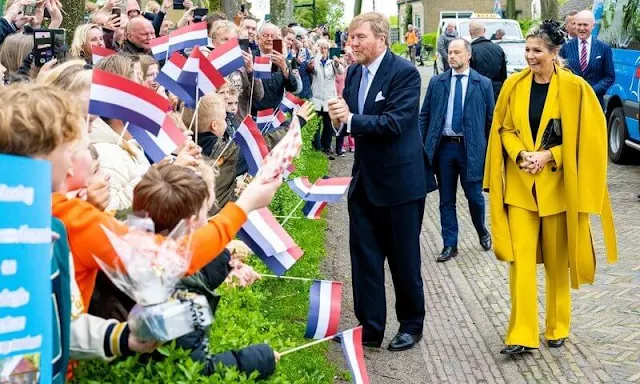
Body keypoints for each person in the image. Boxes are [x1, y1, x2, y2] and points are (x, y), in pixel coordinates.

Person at [483, 20, 617, 355]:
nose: (529, 56)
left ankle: (558, 326)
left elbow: (587, 140)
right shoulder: (513, 86)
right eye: (527, 50)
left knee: (558, 264)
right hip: (520, 189)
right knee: (521, 263)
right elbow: (504, 128)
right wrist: (521, 154)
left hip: (558, 190)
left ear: (555, 53)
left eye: (536, 51)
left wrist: (548, 156)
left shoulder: (576, 89)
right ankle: (521, 333)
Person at [328, 12, 435, 352]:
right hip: (364, 181)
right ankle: (370, 328)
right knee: (364, 259)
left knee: (403, 259)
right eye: (350, 37)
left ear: (381, 39)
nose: (352, 43)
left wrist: (351, 119)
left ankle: (411, 324)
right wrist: (339, 122)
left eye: (359, 37)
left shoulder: (404, 73)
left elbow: (395, 123)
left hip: (401, 184)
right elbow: (351, 124)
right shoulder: (355, 72)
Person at [420, 38, 494, 262]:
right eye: (450, 52)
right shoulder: (437, 82)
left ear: (468, 55)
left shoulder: (483, 84)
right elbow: (424, 116)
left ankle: (482, 230)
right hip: (445, 149)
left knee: (474, 196)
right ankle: (450, 244)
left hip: (471, 149)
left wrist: (490, 152)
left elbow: (491, 120)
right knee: (446, 199)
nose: (452, 56)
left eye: (457, 52)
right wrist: (422, 146)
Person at [559, 10, 615, 107]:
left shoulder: (604, 48)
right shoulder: (566, 47)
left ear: (593, 26)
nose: (581, 28)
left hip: (595, 102)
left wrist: (591, 91)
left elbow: (609, 76)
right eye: (579, 24)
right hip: (571, 103)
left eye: (585, 25)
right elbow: (559, 73)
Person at [251, 23, 298, 114]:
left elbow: (293, 87)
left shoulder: (282, 60)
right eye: (265, 35)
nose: (269, 39)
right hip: (254, 114)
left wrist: (284, 69)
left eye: (273, 36)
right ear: (257, 38)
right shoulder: (250, 58)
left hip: (275, 116)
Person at [309, 39, 345, 157]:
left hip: (329, 97)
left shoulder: (331, 62)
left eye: (325, 48)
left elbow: (341, 72)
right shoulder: (315, 61)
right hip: (317, 97)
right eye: (321, 48)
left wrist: (337, 63)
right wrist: (317, 55)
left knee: (328, 124)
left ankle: (326, 146)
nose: (323, 50)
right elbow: (312, 70)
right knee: (317, 124)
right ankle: (317, 147)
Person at [469, 20, 507, 101]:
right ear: (484, 31)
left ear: (470, 32)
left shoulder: (469, 50)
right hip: (495, 93)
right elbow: (503, 74)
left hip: (476, 93)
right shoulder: (498, 49)